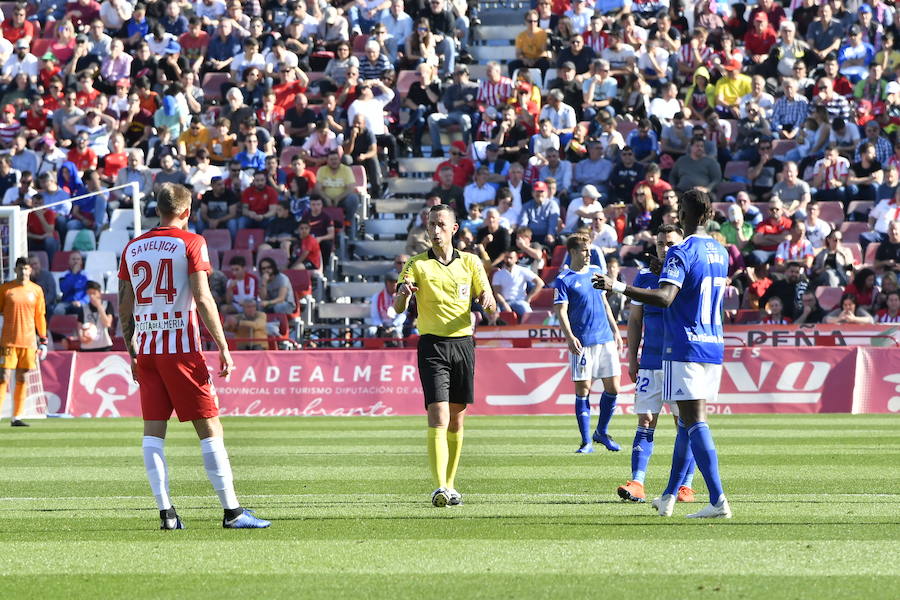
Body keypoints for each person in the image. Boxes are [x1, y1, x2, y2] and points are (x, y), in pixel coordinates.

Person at [117, 184, 269, 530]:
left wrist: (131, 350)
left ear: (158, 209)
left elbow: (124, 303)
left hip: (149, 350)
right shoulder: (191, 242)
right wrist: (224, 346)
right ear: (186, 211)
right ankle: (232, 512)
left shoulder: (133, 247)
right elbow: (202, 297)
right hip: (181, 350)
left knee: (153, 433)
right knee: (210, 427)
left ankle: (167, 513)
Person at [594, 188, 732, 519]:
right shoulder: (720, 251)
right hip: (713, 344)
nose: (675, 214)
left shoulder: (681, 250)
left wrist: (618, 286)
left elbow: (667, 297)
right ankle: (669, 495)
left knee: (694, 422)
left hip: (683, 345)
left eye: (678, 210)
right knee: (686, 423)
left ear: (685, 215)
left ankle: (717, 500)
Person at [394, 204, 496, 508]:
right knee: (437, 414)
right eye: (431, 225)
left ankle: (451, 485)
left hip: (463, 344)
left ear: (453, 229)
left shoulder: (471, 262)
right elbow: (399, 307)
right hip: (433, 346)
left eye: (441, 224)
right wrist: (404, 295)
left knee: (456, 420)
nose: (435, 230)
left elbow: (489, 303)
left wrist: (487, 300)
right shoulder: (415, 264)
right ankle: (439, 486)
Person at [618, 225, 696, 504]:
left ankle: (685, 485)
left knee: (685, 423)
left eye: (671, 243)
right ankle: (637, 482)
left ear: (681, 245)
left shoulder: (688, 275)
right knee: (646, 419)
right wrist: (631, 357)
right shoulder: (645, 277)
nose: (665, 248)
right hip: (650, 361)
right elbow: (635, 320)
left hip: (680, 361)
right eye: (661, 243)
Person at [553, 234, 623, 454]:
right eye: (585, 250)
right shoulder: (564, 279)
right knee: (584, 390)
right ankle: (586, 441)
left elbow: (604, 302)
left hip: (605, 339)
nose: (589, 254)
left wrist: (616, 330)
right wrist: (569, 336)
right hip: (583, 343)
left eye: (590, 250)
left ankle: (601, 432)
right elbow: (560, 311)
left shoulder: (595, 272)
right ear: (574, 252)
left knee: (614, 387)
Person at [0, 257, 48, 427]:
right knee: (3, 376)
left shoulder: (36, 290)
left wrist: (43, 338)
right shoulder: (6, 289)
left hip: (28, 342)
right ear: (15, 270)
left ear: (30, 270)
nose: (24, 272)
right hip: (8, 341)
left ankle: (16, 417)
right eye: (21, 269)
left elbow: (39, 316)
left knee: (22, 377)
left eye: (26, 269)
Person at [491, 248, 544, 318]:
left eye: (511, 258)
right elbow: (497, 293)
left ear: (516, 258)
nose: (508, 260)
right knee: (494, 315)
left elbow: (540, 283)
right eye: (506, 257)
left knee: (529, 315)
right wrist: (504, 304)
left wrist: (529, 297)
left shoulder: (523, 270)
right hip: (504, 302)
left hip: (520, 301)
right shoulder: (498, 274)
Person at [77, 280, 114, 352]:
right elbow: (79, 326)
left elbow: (107, 323)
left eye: (94, 293)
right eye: (89, 293)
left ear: (99, 293)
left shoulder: (107, 305)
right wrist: (81, 337)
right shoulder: (83, 308)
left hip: (104, 345)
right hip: (87, 346)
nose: (92, 296)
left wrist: (99, 306)